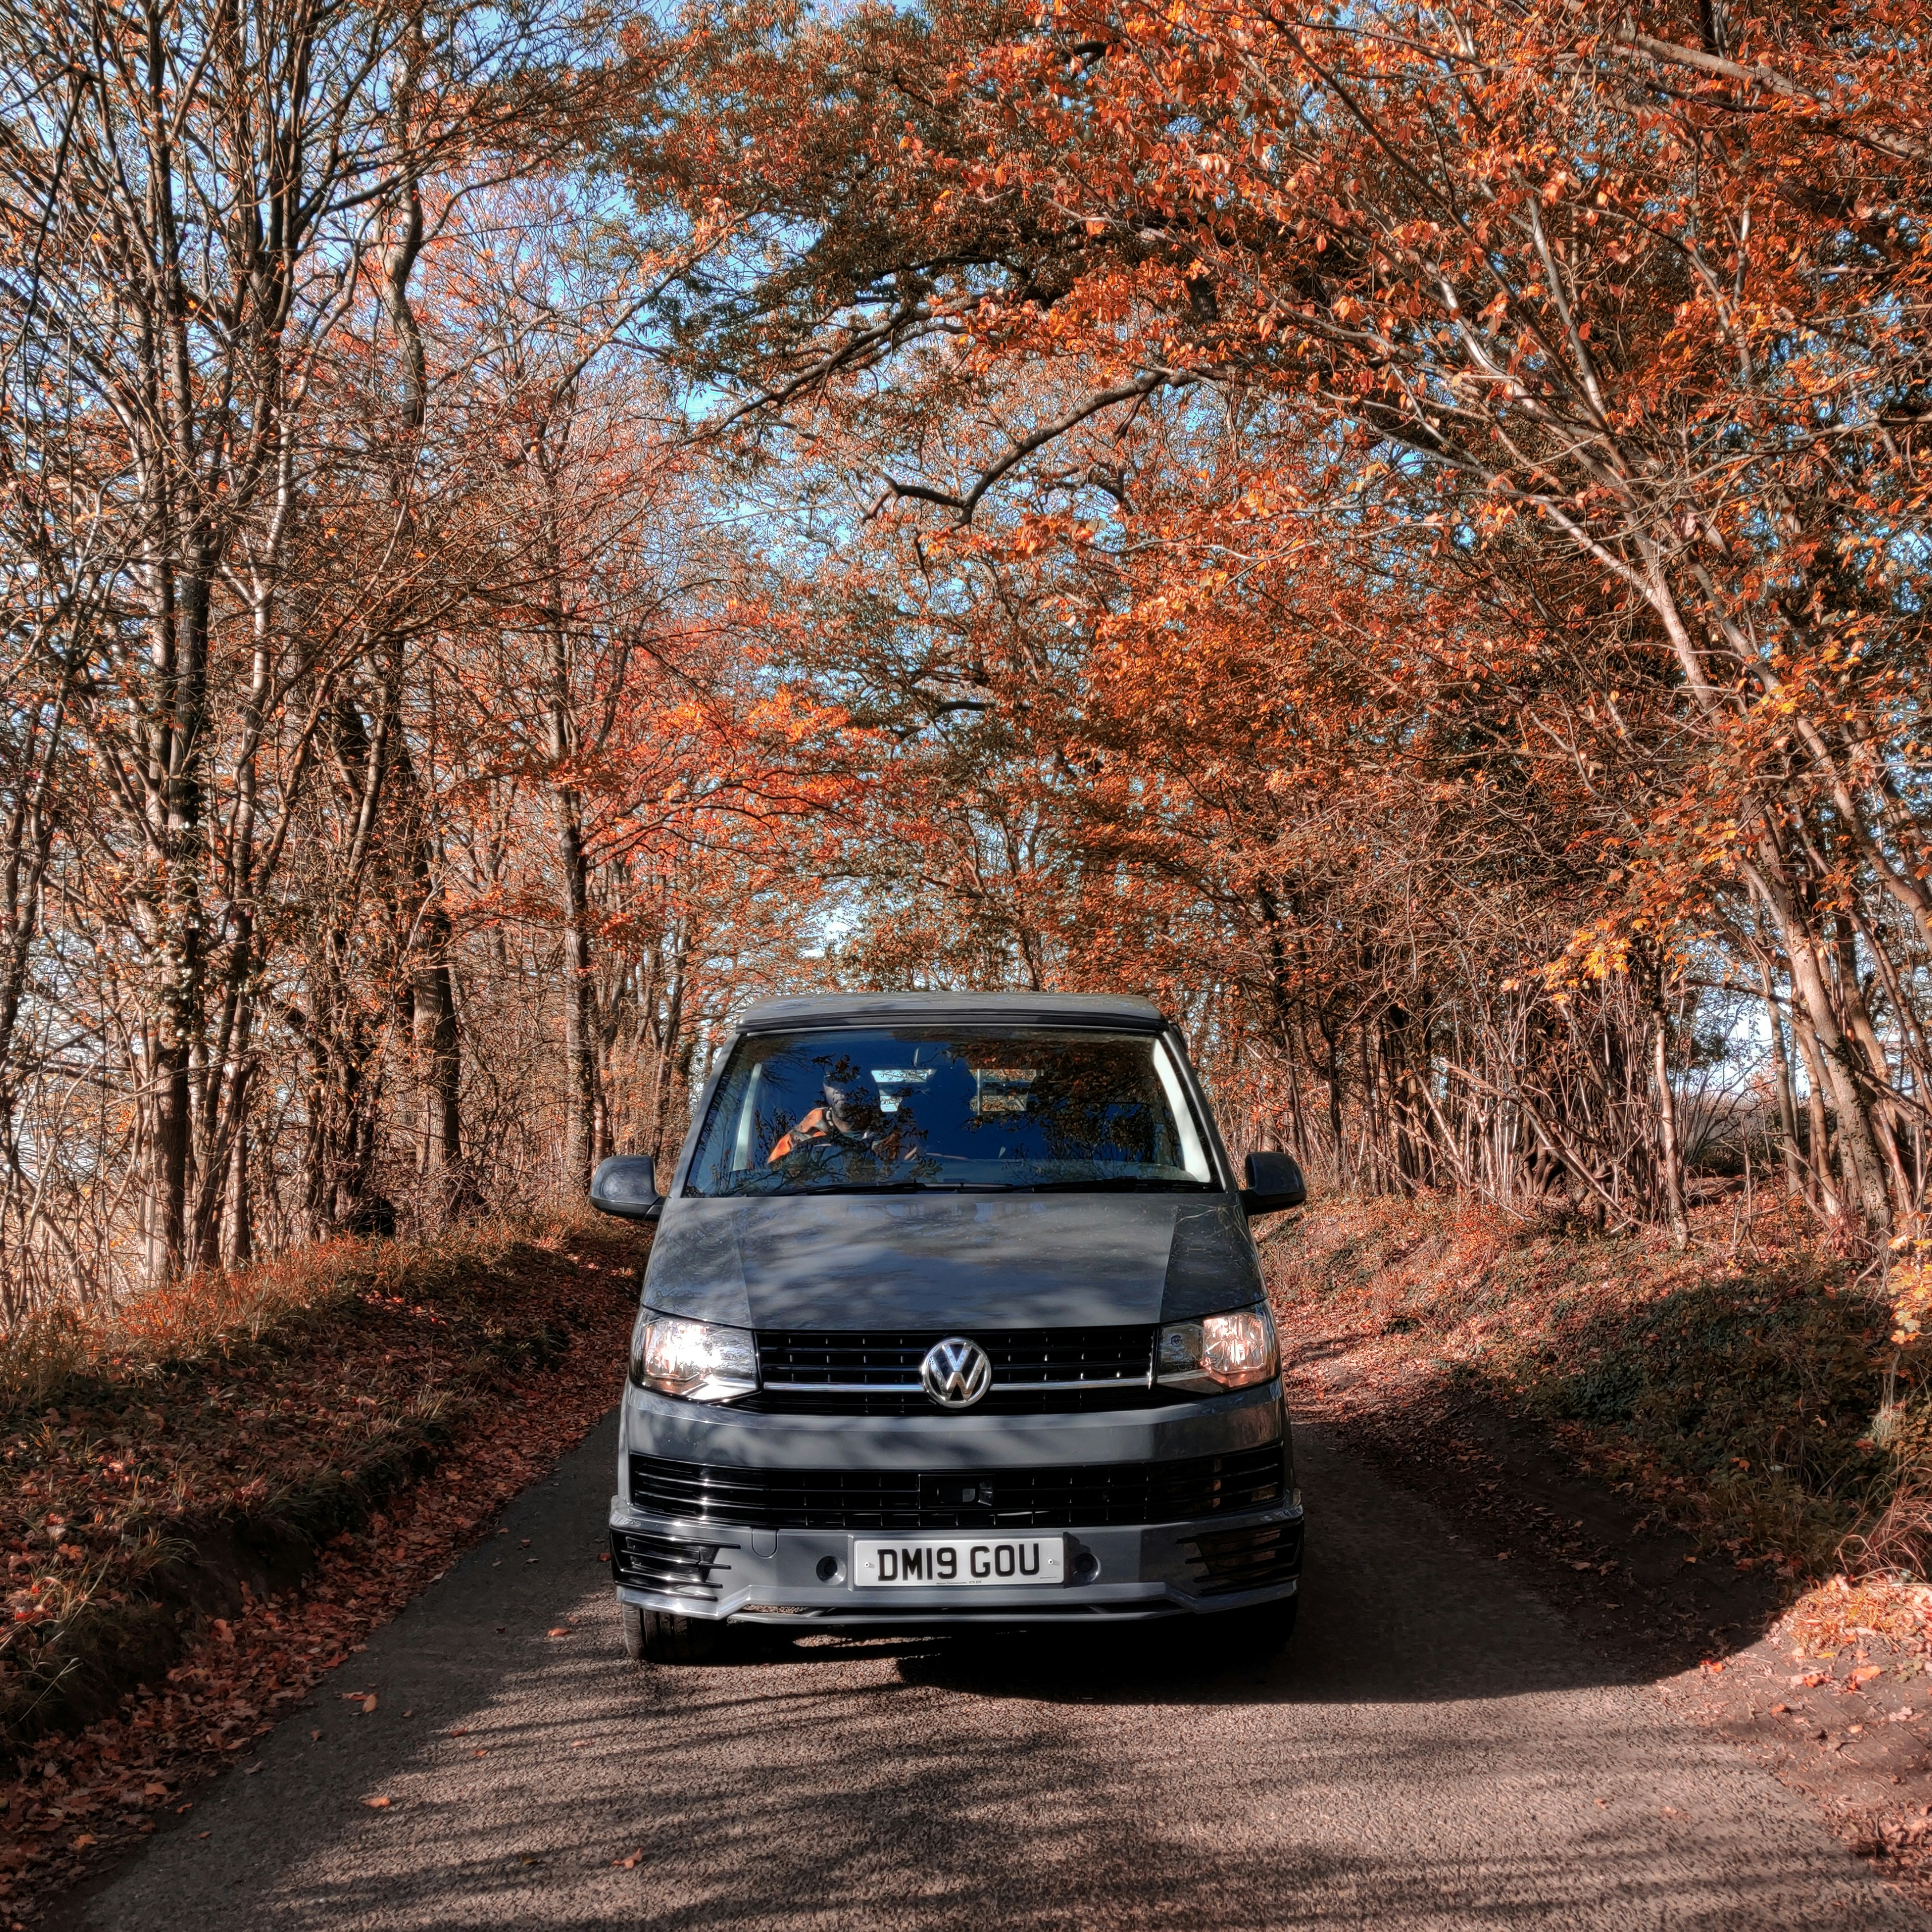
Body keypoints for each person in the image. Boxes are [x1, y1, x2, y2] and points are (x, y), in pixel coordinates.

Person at [768, 1071, 919, 1165]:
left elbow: (916, 1173)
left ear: (867, 1086)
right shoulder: (805, 1132)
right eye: (832, 1080)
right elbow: (773, 1173)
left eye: (851, 1079)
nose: (840, 1088)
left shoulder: (895, 1128)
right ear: (824, 1088)